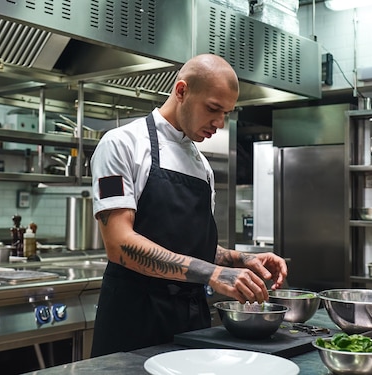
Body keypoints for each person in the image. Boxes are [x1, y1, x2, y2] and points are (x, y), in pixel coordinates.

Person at [89, 53, 288, 357]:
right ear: (181, 91)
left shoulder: (201, 165)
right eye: (213, 109)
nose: (219, 123)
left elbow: (192, 247)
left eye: (227, 113)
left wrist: (240, 259)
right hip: (134, 321)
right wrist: (211, 274)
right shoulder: (121, 145)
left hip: (191, 323)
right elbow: (119, 244)